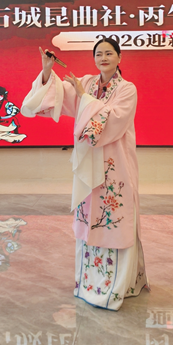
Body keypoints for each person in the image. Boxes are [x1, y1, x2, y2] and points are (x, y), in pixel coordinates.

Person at [21, 38, 149, 310]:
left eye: (109, 53)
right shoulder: (87, 83)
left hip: (116, 164)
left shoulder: (127, 89)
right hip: (89, 163)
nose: (103, 58)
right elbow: (58, 94)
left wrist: (85, 99)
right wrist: (47, 70)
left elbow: (116, 119)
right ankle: (88, 283)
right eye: (99, 54)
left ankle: (118, 286)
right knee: (89, 217)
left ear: (119, 57)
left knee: (115, 218)